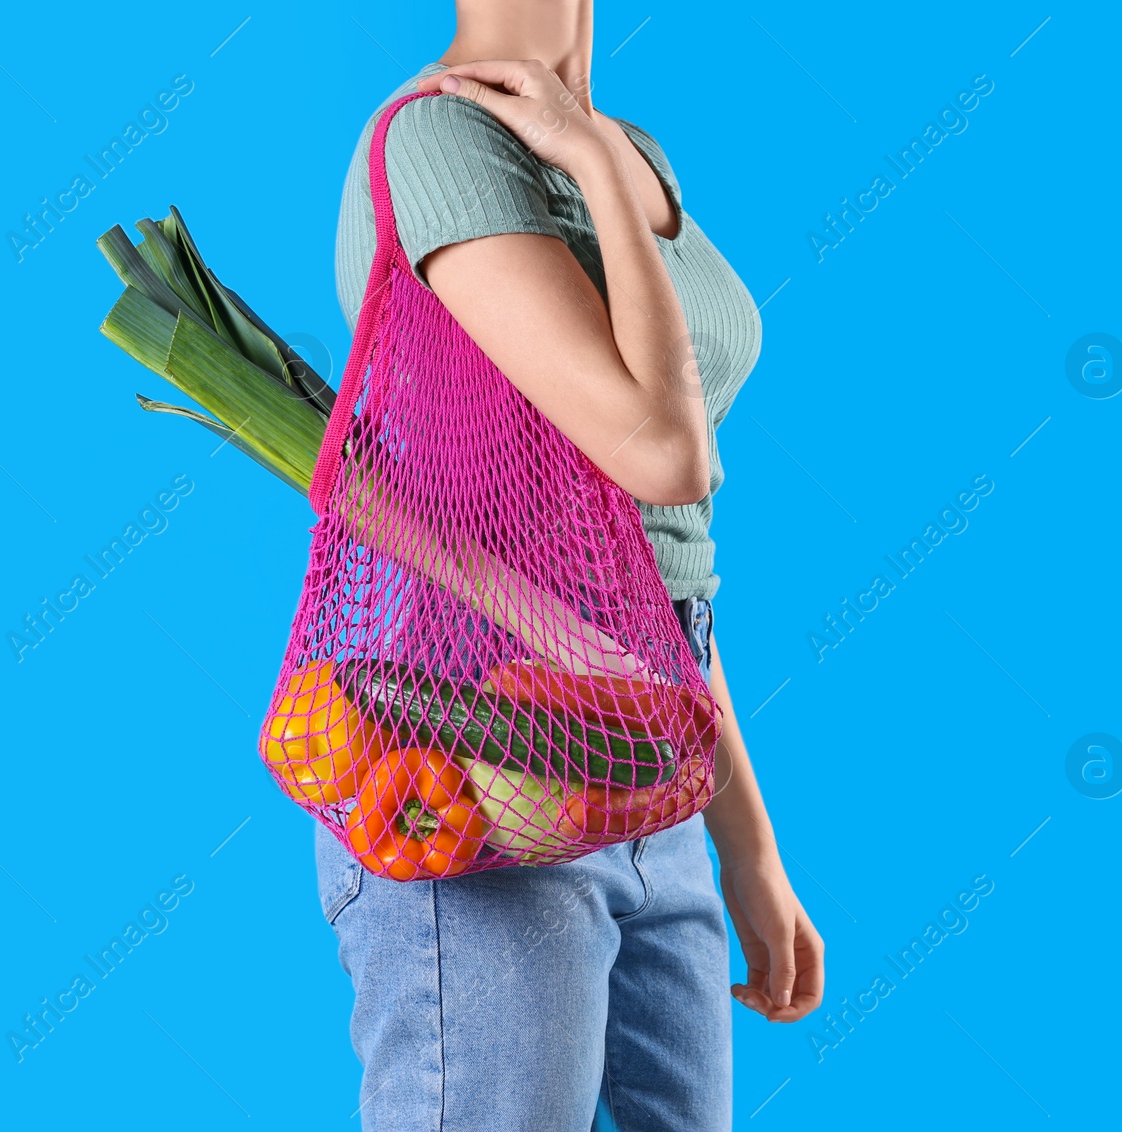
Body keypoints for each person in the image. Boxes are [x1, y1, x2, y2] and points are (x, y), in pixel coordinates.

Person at [320, 3, 824, 1128]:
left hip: (650, 764)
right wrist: (589, 159)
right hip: (473, 765)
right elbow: (662, 449)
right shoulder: (439, 139)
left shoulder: (634, 150)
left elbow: (659, 577)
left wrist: (750, 851)